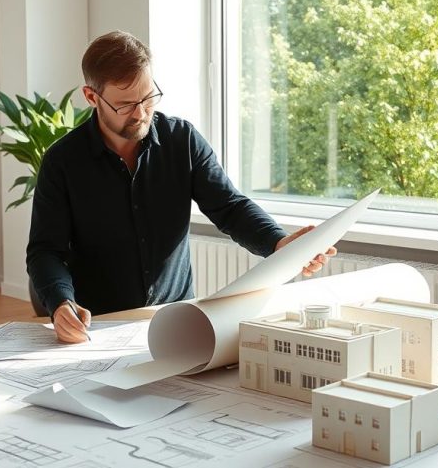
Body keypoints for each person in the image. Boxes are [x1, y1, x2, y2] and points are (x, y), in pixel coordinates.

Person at [26, 31, 336, 343]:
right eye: (125, 104)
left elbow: (229, 207)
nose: (141, 113)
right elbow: (45, 251)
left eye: (148, 98)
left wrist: (279, 244)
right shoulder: (62, 162)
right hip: (98, 327)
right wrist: (60, 302)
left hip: (175, 319)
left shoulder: (182, 141)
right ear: (92, 97)